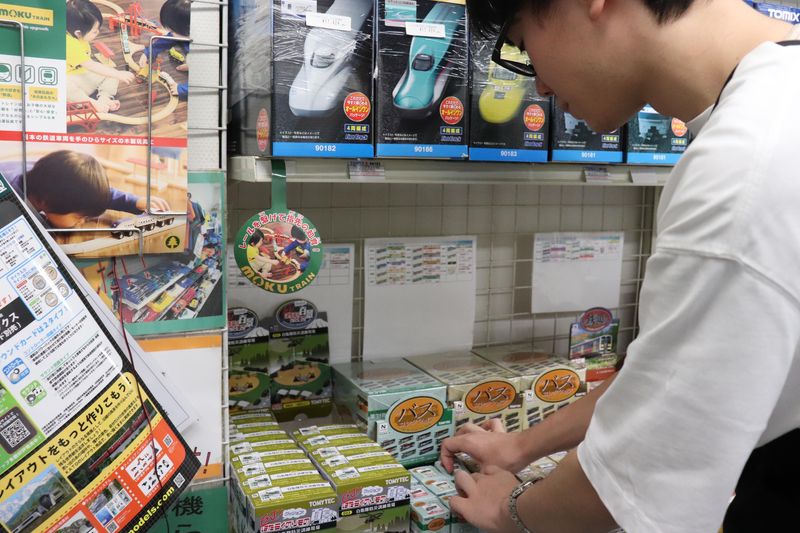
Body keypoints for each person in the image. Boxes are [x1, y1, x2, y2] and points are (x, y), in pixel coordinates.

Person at [439, 1, 800, 532]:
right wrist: (519, 446)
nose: (539, 86)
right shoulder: (777, 102)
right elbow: (668, 380)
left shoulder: (745, 165)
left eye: (523, 45)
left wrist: (507, 513)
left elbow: (650, 470)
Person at [9, 151, 171, 229]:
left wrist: (134, 202)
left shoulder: (46, 181)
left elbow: (88, 193)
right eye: (79, 216)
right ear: (46, 202)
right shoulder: (12, 209)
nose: (82, 221)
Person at [66, 0, 135, 113]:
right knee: (65, 87)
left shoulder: (74, 31)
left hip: (82, 74)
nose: (98, 32)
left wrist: (115, 74)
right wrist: (118, 74)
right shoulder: (69, 45)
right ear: (78, 33)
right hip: (70, 78)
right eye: (94, 31)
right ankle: (91, 103)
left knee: (110, 75)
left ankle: (104, 98)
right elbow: (91, 65)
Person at [134, 0, 190, 100]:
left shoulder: (206, 51)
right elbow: (165, 41)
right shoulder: (183, 33)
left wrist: (182, 89)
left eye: (172, 30)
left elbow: (208, 81)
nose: (170, 33)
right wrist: (148, 52)